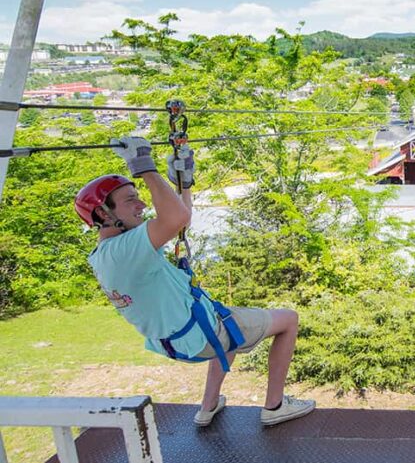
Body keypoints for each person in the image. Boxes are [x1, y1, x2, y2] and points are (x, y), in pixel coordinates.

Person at [75, 136, 315, 427]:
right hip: (199, 335)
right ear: (103, 212)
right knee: (288, 320)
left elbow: (179, 220)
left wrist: (184, 184)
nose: (140, 203)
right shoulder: (126, 250)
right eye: (130, 200)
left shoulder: (110, 253)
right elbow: (175, 218)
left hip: (177, 340)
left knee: (227, 327)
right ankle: (275, 406)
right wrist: (144, 166)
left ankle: (208, 407)